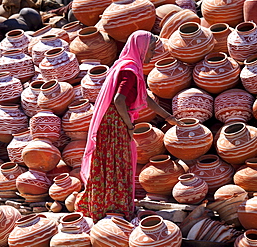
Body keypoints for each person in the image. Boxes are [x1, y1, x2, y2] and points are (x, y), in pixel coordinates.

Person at [76, 30, 183, 222]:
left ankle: (103, 205)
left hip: (111, 121)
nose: (151, 55)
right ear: (140, 49)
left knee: (110, 163)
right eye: (150, 50)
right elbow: (119, 100)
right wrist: (128, 124)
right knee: (119, 163)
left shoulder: (126, 66)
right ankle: (114, 207)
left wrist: (168, 117)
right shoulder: (130, 70)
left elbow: (145, 99)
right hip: (115, 123)